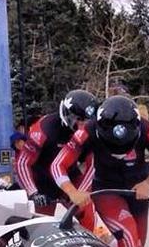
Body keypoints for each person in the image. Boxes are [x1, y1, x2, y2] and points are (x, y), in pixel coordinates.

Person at [51, 95, 149, 247]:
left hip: (137, 190)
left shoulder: (146, 129)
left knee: (137, 246)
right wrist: (72, 192)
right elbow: (58, 164)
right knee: (128, 236)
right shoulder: (86, 132)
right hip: (106, 190)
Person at [16, 89, 97, 231]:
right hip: (43, 181)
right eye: (80, 120)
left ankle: (90, 246)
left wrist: (81, 192)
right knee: (43, 226)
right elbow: (23, 162)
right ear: (69, 115)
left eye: (88, 122)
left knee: (86, 211)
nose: (83, 126)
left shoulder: (90, 132)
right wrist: (33, 192)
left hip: (70, 175)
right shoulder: (43, 128)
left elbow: (93, 165)